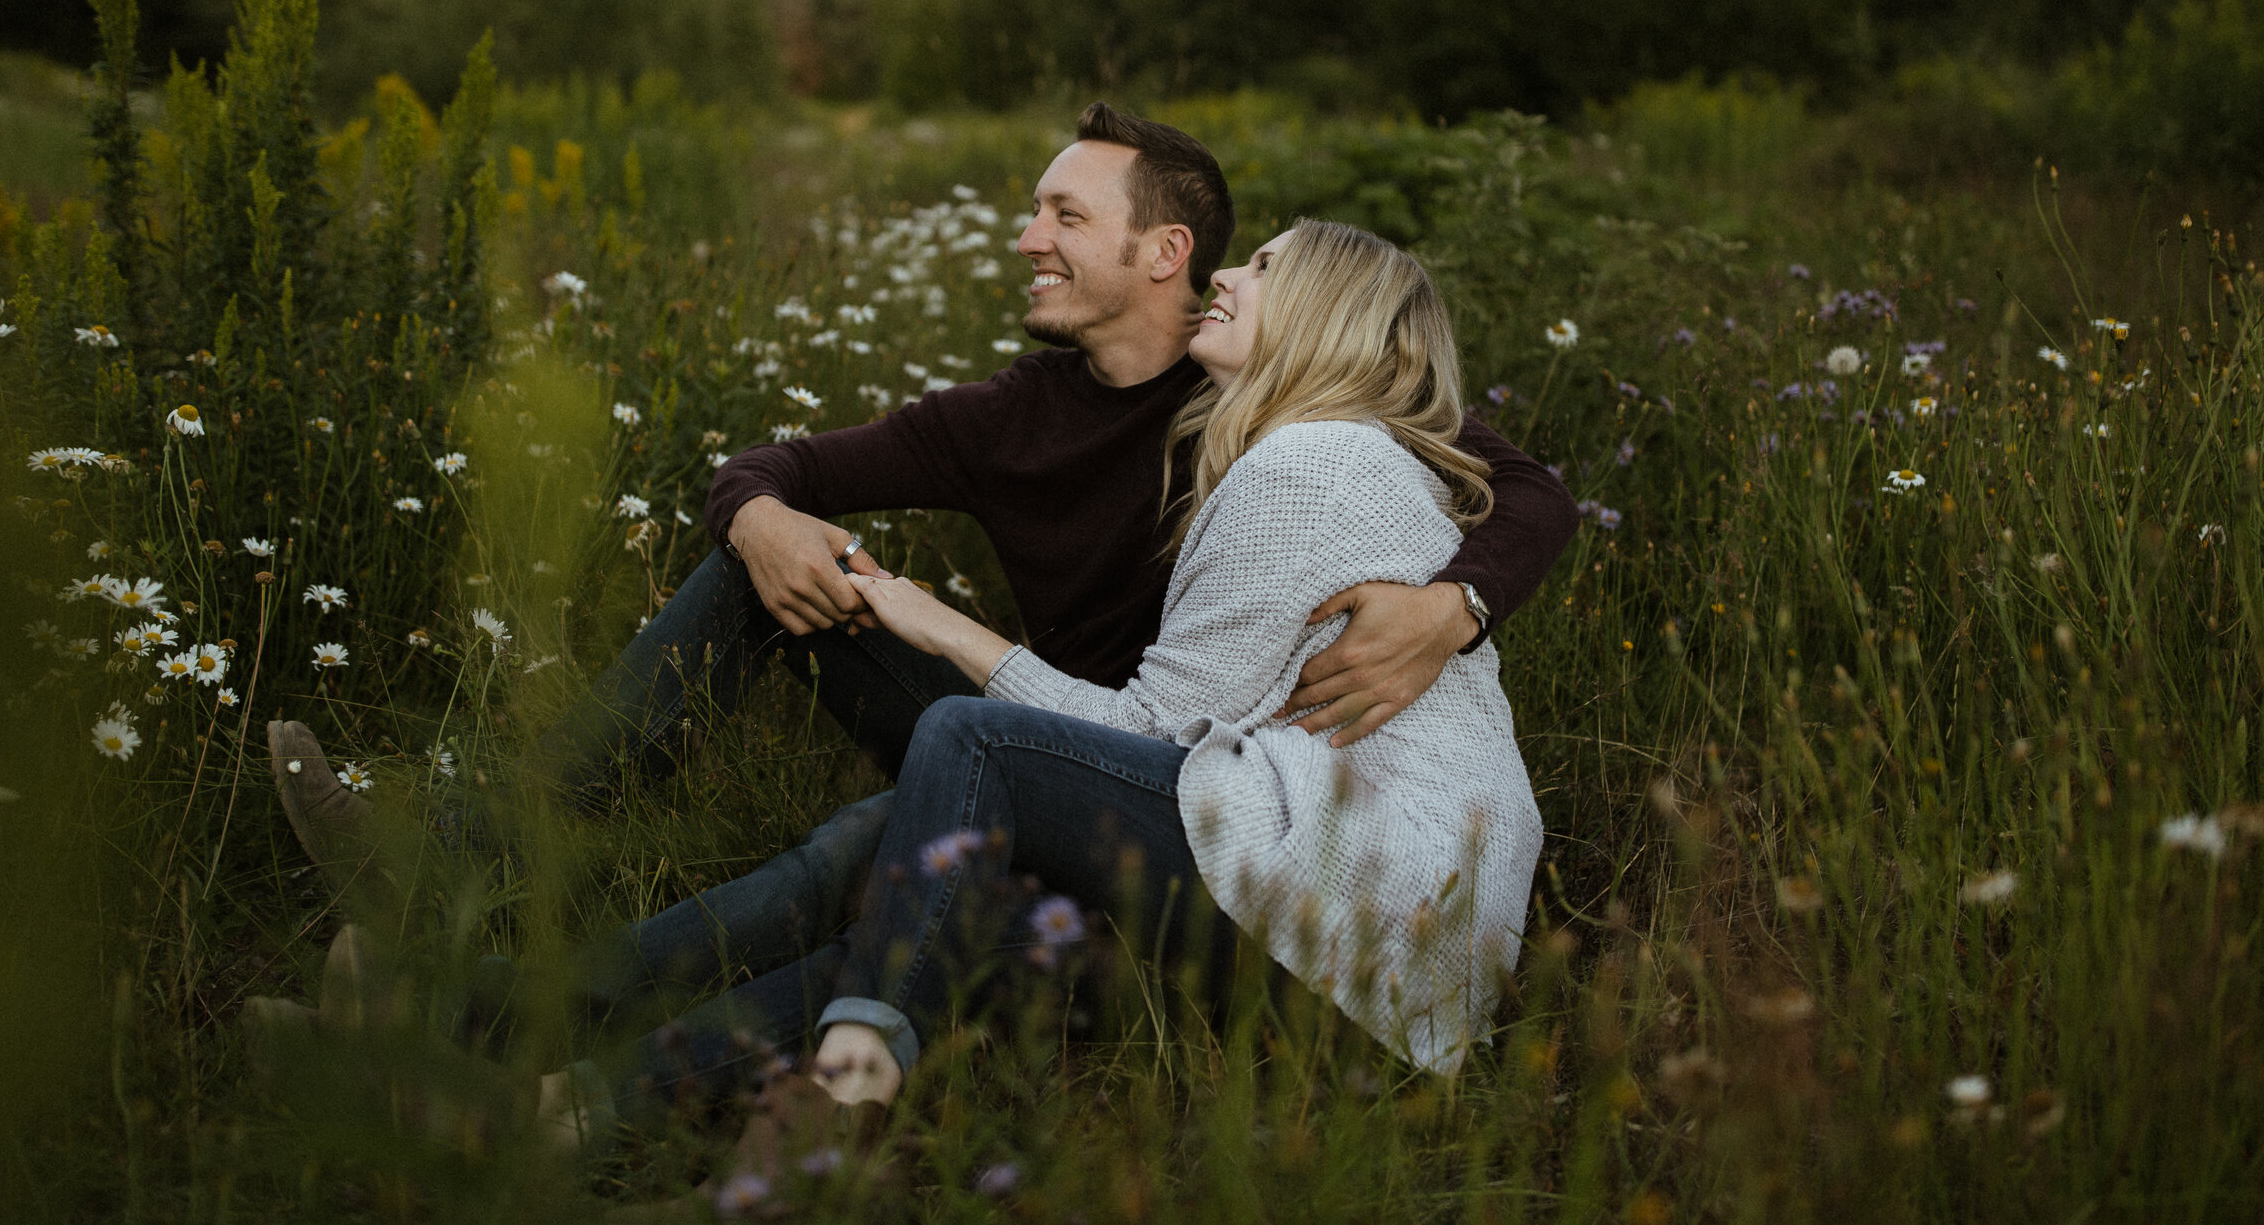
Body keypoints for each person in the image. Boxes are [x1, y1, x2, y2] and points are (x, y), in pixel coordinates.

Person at [267, 105, 1574, 1083]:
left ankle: (500, 1032)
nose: (1028, 238)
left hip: (1169, 779)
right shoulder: (1008, 417)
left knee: (860, 846)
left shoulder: (1282, 384)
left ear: (1163, 250)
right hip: (1059, 729)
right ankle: (466, 860)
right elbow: (772, 465)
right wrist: (763, 515)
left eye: (1064, 214)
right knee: (764, 567)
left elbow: (1531, 492)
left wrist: (1454, 607)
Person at [558, 218, 1544, 1204]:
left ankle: (838, 1094)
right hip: (1404, 978)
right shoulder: (1330, 456)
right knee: (967, 915)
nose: (1230, 276)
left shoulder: (1309, 467)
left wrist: (943, 626)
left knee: (968, 738)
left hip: (1358, 904)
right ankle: (588, 1105)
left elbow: (1150, 732)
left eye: (1264, 266)